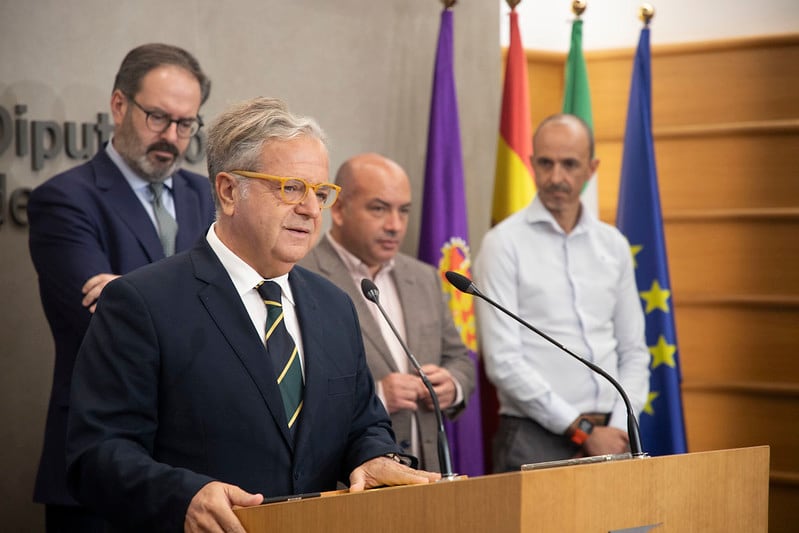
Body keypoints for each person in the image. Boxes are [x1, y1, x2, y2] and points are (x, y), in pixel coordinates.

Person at [65, 97, 440, 532]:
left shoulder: (335, 305)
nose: (311, 209)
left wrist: (375, 456)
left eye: (320, 193)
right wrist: (183, 496)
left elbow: (363, 424)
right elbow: (96, 455)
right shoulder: (143, 303)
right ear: (228, 191)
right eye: (290, 188)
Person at [27, 43, 215, 532]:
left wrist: (130, 290)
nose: (171, 137)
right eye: (158, 117)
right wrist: (204, 302)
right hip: (102, 462)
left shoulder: (210, 196)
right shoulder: (66, 200)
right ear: (118, 105)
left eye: (185, 124)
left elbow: (238, 305)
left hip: (202, 468)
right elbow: (104, 323)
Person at [474, 114, 650, 471]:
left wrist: (617, 428)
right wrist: (584, 432)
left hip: (615, 434)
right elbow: (504, 363)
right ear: (531, 163)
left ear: (592, 168)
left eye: (570, 164)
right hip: (534, 436)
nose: (557, 177)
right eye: (546, 163)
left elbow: (634, 352)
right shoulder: (503, 244)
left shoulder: (612, 244)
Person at [299, 153, 476, 472]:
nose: (395, 226)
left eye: (403, 211)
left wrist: (454, 383)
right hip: (352, 480)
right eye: (379, 209)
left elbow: (459, 357)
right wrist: (377, 393)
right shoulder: (302, 276)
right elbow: (297, 389)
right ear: (338, 210)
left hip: (429, 473)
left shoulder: (424, 277)